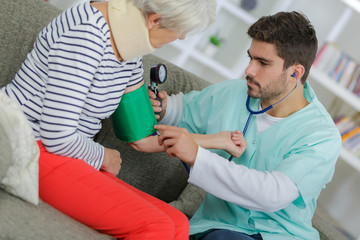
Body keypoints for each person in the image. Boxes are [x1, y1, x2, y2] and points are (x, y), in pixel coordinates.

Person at [1, 0, 216, 239]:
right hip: (26, 143)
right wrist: (104, 156)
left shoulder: (129, 47)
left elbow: (142, 135)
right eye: (181, 30)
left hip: (63, 153)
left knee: (177, 223)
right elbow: (57, 136)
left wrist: (215, 141)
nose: (182, 37)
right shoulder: (88, 31)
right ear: (154, 20)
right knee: (158, 228)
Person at [149, 11, 342, 240]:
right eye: (250, 57)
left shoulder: (322, 136)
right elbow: (178, 111)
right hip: (214, 228)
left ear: (295, 72)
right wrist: (159, 106)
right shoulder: (233, 92)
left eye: (263, 63)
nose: (249, 70)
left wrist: (198, 156)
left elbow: (273, 194)